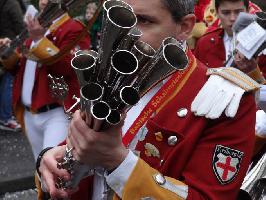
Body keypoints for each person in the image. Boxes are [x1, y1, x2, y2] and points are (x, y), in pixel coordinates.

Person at [38, 0, 258, 199]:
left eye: (143, 20)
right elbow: (79, 146)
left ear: (185, 27)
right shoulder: (113, 72)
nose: (123, 35)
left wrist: (118, 162)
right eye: (118, 19)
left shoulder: (228, 101)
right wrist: (47, 159)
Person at [1, 0, 90, 160]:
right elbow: (18, 68)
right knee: (41, 169)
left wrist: (40, 40)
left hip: (56, 114)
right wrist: (7, 54)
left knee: (52, 168)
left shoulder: (75, 28)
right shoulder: (35, 27)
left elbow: (70, 68)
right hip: (29, 113)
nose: (44, 1)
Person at [0, 0, 25, 131]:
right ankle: (6, 117)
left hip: (2, 44)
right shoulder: (11, 3)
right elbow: (20, 26)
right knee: (9, 81)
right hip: (11, 46)